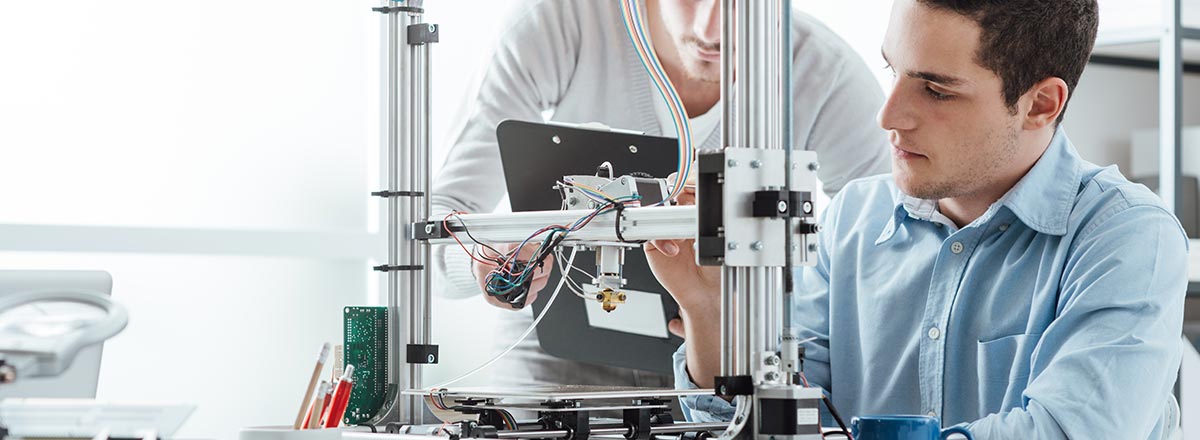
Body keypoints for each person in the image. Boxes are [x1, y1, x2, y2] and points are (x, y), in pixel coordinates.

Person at [648, 0, 1188, 438]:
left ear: (1040, 103)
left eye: (936, 90)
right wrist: (707, 311)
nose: (888, 116)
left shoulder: (1126, 236)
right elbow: (769, 420)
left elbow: (1069, 432)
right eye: (893, 70)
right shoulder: (854, 219)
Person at [430, 0, 891, 390]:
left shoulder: (824, 73)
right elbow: (432, 226)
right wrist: (485, 260)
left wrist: (756, 322)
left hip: (722, 360)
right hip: (549, 356)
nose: (710, 30)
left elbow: (886, 250)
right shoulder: (560, 21)